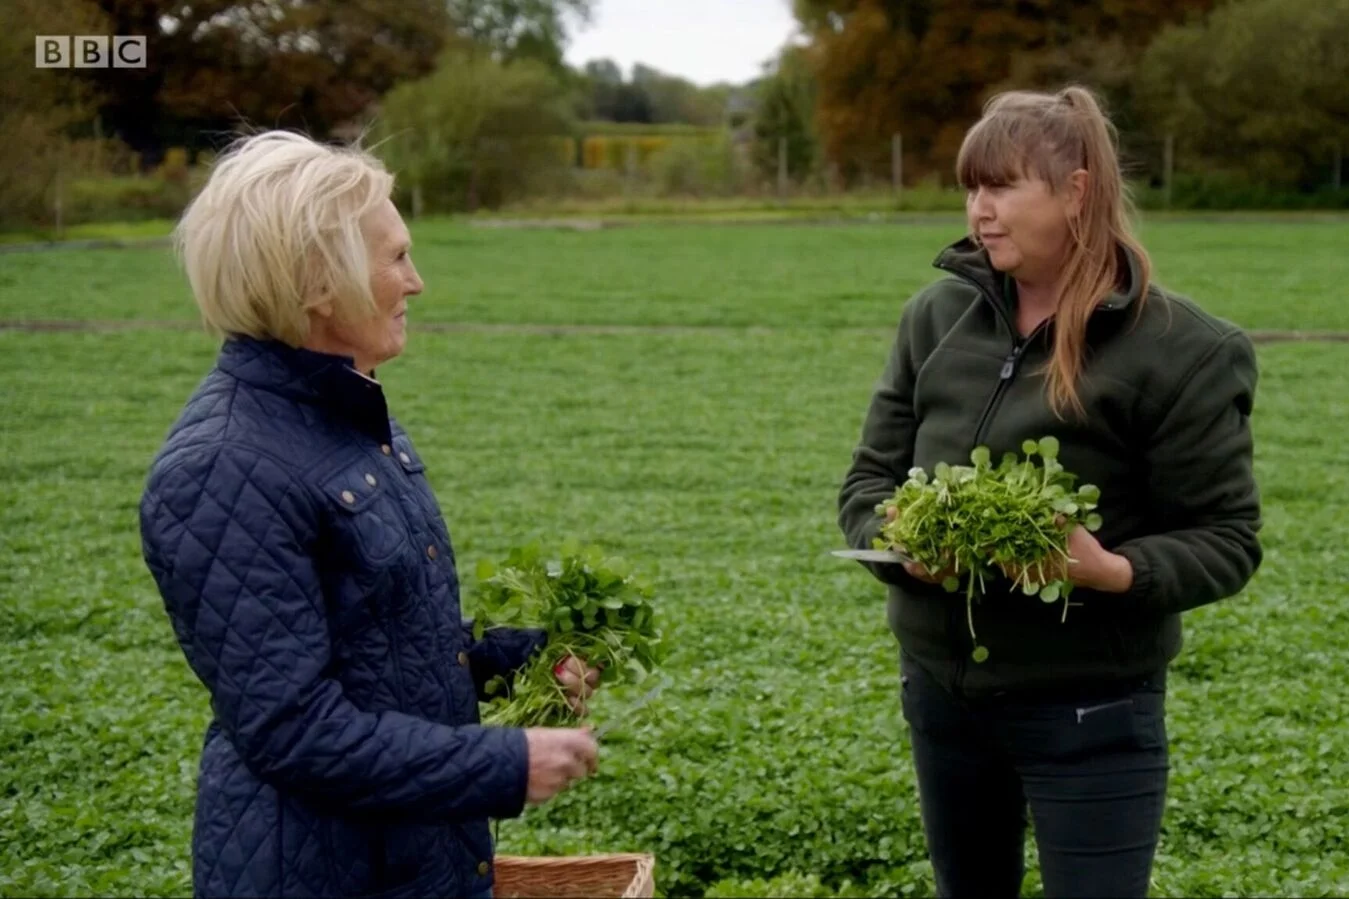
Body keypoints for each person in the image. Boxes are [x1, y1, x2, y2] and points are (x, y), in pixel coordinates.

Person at [138, 130, 601, 899]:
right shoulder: (219, 467)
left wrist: (522, 658)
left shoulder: (352, 415)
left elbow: (386, 643)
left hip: (419, 857)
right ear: (320, 282)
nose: (416, 282)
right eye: (396, 258)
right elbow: (294, 729)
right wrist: (503, 764)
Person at [837, 86, 1261, 898]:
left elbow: (1226, 537)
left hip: (1091, 713)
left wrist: (1110, 571)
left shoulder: (1184, 351)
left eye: (1001, 186)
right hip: (943, 699)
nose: (979, 209)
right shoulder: (935, 316)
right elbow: (867, 479)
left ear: (1074, 193)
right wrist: (898, 544)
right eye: (971, 187)